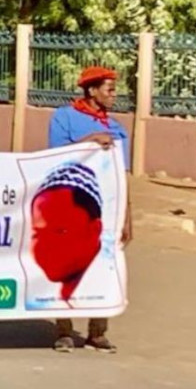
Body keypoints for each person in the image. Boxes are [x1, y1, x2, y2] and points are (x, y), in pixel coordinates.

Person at [46, 66, 133, 354]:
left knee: (105, 265)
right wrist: (90, 141)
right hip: (69, 203)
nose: (114, 95)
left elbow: (123, 176)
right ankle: (64, 329)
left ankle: (98, 330)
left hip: (105, 209)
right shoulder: (64, 118)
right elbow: (55, 156)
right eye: (109, 89)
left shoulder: (117, 129)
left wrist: (127, 217)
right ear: (92, 90)